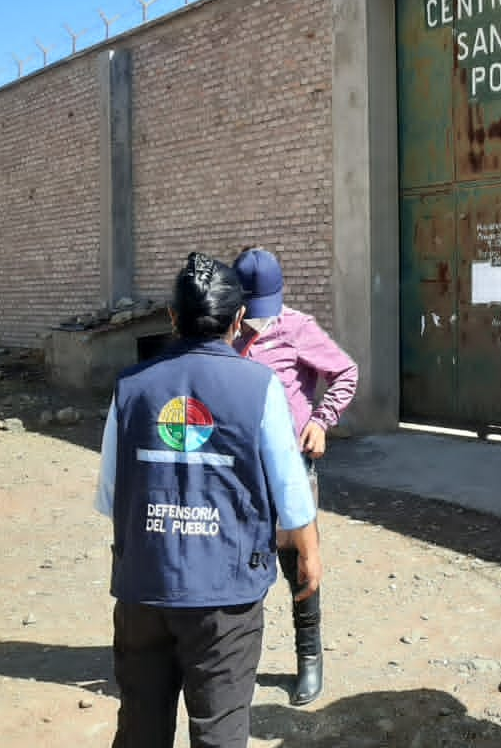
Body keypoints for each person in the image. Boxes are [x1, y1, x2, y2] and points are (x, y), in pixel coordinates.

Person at [94, 252, 322, 748]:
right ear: (238, 321)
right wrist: (308, 555)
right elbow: (291, 494)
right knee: (219, 732)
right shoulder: (259, 386)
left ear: (173, 318)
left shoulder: (130, 387)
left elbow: (112, 493)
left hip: (143, 589)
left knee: (140, 728)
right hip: (226, 598)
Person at [231, 247, 359, 707]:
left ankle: (309, 656)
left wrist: (321, 420)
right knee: (241, 562)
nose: (257, 324)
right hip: (238, 468)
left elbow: (345, 371)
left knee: (298, 560)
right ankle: (237, 661)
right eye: (250, 315)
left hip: (289, 464)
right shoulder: (224, 331)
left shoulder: (296, 327)